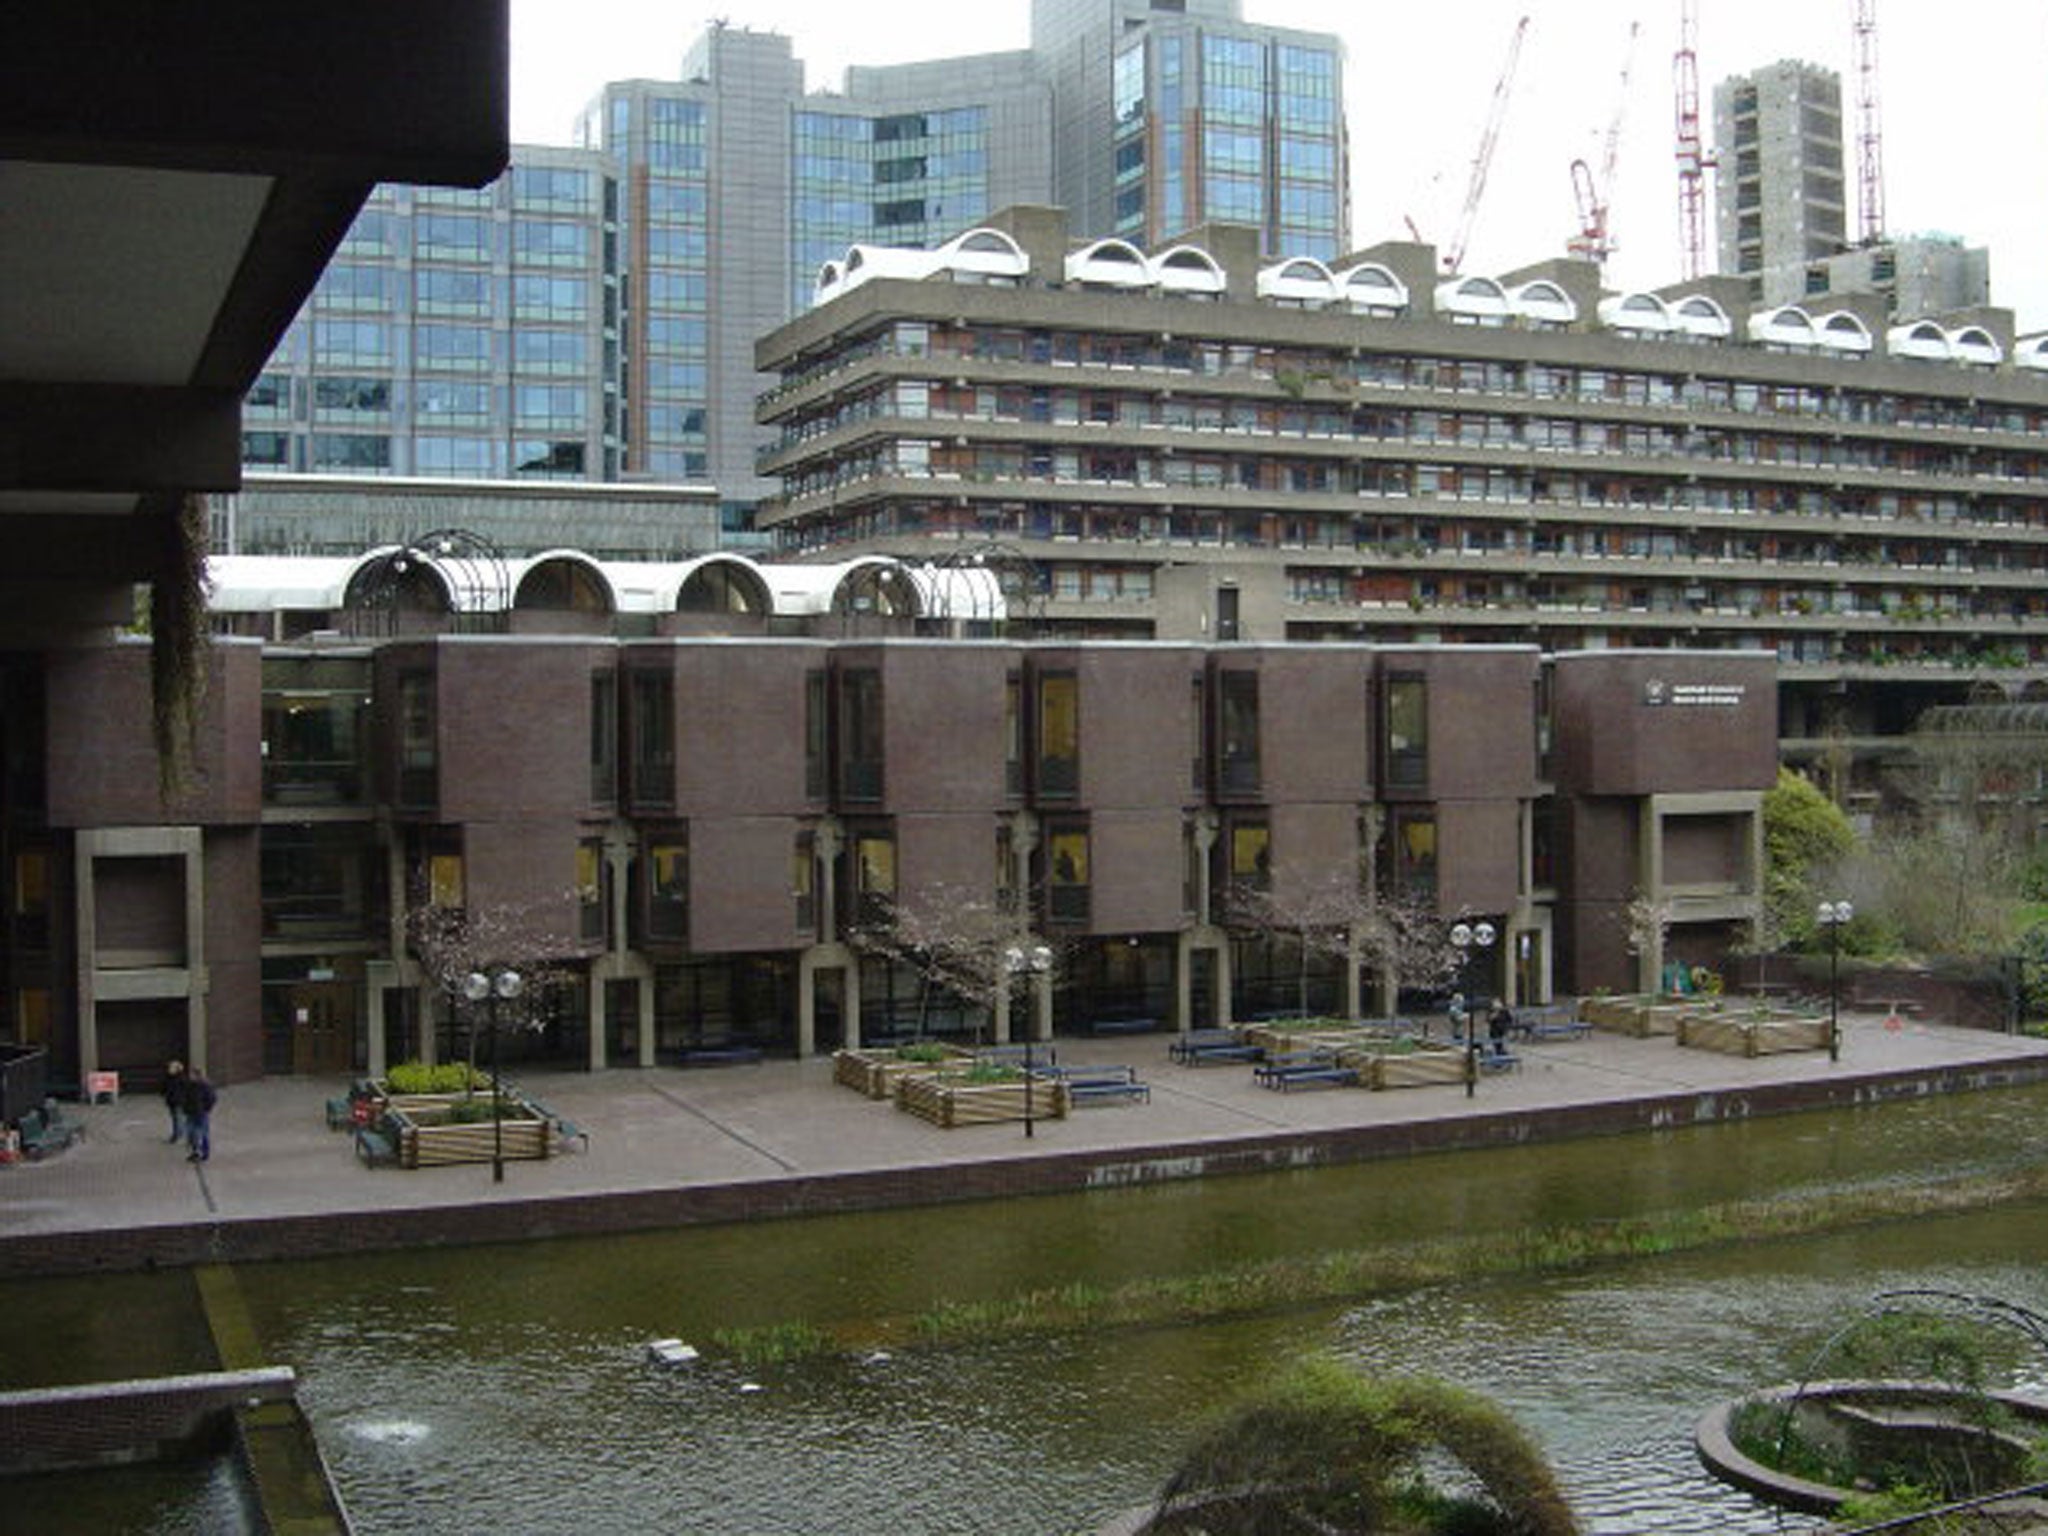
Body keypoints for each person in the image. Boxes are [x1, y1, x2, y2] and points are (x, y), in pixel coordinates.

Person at [183, 1069, 217, 1163]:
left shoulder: (205, 1086)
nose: (190, 1076)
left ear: (198, 1075)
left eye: (192, 1075)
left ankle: (204, 1153)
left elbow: (212, 1098)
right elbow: (186, 1097)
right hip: (190, 1113)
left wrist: (205, 1109)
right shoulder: (190, 1085)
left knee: (202, 1134)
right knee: (191, 1134)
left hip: (200, 1114)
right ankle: (195, 1153)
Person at [161, 1059, 187, 1144]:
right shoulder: (170, 1077)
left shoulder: (180, 1078)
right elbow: (165, 1087)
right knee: (176, 1118)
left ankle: (176, 1135)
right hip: (172, 1101)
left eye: (171, 1067)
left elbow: (183, 1090)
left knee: (177, 1118)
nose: (169, 1069)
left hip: (177, 1101)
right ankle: (179, 1134)